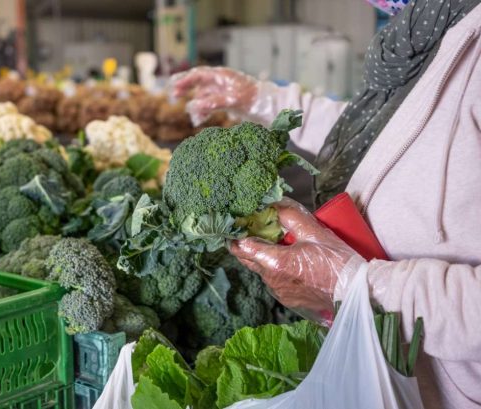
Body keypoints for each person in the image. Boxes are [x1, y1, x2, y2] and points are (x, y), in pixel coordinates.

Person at [172, 1, 481, 408]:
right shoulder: (440, 22)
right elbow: (383, 131)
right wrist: (262, 99)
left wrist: (355, 284)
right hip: (397, 374)